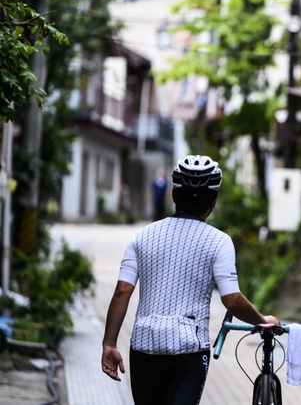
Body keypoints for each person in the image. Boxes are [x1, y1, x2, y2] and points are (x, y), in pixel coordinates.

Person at [101, 154, 279, 405]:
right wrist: (262, 321)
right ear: (214, 201)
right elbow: (232, 300)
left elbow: (122, 292)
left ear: (173, 195)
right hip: (188, 352)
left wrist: (109, 343)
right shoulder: (219, 242)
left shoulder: (141, 237)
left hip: (142, 347)